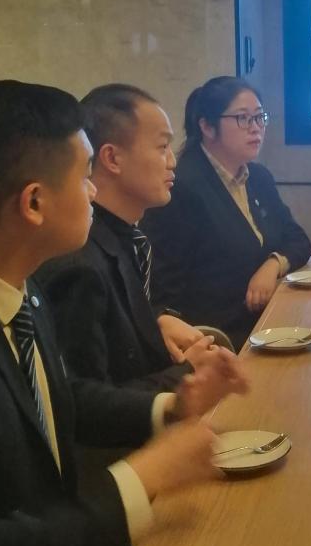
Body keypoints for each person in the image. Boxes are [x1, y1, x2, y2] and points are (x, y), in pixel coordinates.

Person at [0, 80, 249, 546]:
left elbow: (60, 398)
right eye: (83, 176)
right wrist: (144, 476)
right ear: (34, 203)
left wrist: (170, 407)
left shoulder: (19, 288)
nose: (93, 191)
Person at [37, 84, 213, 391]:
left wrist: (156, 319)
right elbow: (83, 400)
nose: (172, 161)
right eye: (162, 146)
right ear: (112, 158)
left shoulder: (125, 237)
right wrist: (187, 372)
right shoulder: (79, 261)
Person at [141, 76, 311, 347]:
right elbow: (165, 295)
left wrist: (272, 265)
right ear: (207, 127)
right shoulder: (181, 188)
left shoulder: (258, 177)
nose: (255, 128)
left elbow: (298, 240)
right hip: (219, 339)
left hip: (268, 322)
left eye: (259, 117)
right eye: (243, 118)